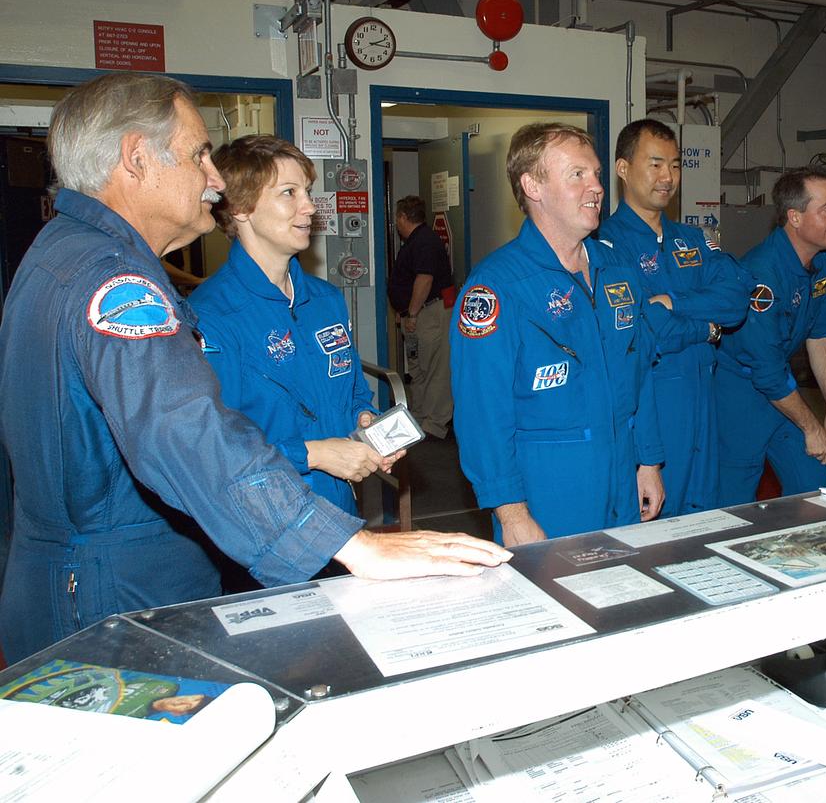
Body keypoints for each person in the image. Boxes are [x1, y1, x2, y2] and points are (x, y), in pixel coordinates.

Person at [0, 73, 509, 662]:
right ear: (137, 159)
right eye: (197, 155)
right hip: (113, 587)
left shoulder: (60, 252)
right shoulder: (116, 283)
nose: (213, 179)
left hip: (109, 574)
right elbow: (186, 431)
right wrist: (354, 544)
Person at [450, 123, 665, 545]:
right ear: (533, 186)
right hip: (548, 491)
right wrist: (511, 514)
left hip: (621, 475)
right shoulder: (496, 288)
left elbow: (640, 370)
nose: (597, 187)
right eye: (578, 175)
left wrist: (649, 462)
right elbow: (482, 416)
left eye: (597, 174)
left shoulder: (616, 269)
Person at [189, 135, 397, 519]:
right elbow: (213, 448)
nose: (309, 207)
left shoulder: (325, 300)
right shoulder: (212, 315)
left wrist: (363, 421)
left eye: (307, 191)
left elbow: (352, 391)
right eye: (289, 193)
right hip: (263, 518)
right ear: (240, 208)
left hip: (338, 513)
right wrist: (314, 454)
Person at [597, 119, 751, 515]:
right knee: (654, 531)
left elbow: (736, 299)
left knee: (703, 525)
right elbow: (651, 329)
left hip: (704, 404)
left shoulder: (693, 239)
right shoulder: (605, 246)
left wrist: (678, 302)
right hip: (654, 405)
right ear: (623, 169)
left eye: (676, 165)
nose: (668, 177)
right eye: (655, 164)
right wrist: (709, 328)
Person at [714, 167, 826, 506]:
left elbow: (820, 332)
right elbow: (767, 372)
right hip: (738, 395)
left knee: (813, 479)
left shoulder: (822, 260)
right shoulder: (763, 274)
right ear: (795, 218)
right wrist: (811, 426)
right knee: (735, 501)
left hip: (781, 386)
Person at [387, 195, 454, 439]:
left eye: (397, 218)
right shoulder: (415, 242)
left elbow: (424, 280)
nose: (396, 223)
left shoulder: (425, 241)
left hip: (428, 315)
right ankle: (419, 417)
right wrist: (403, 312)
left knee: (436, 369)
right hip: (416, 315)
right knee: (418, 368)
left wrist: (412, 313)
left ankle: (434, 424)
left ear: (404, 217)